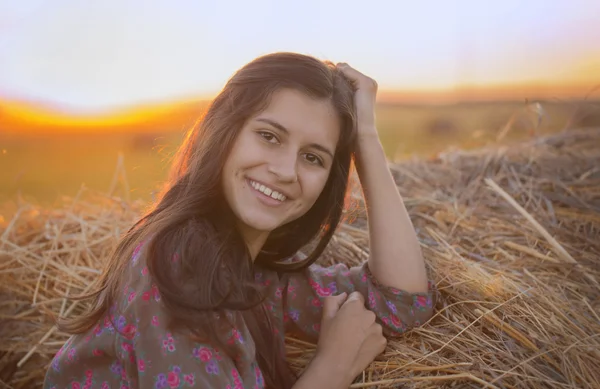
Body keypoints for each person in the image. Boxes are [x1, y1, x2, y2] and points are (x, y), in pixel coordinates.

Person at [43, 52, 436, 389]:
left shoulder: (254, 270)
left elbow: (401, 302)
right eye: (269, 136)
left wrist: (365, 137)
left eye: (313, 157)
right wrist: (332, 369)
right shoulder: (178, 267)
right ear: (225, 132)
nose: (285, 170)